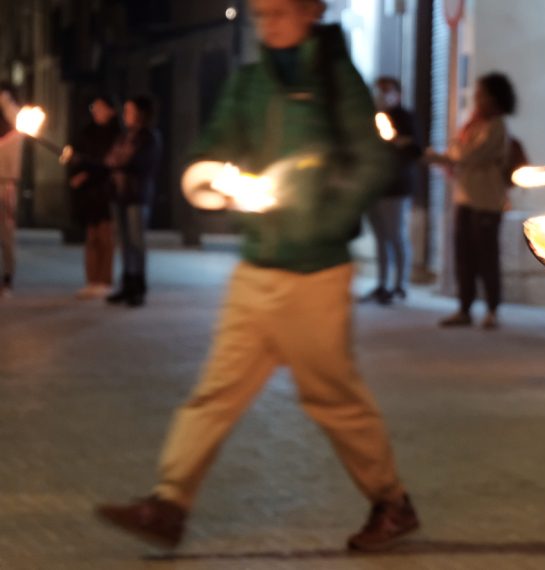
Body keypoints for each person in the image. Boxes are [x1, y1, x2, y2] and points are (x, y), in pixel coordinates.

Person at [95, 0, 416, 552]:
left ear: (310, 12)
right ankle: (170, 502)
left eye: (279, 12)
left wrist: (323, 217)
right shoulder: (249, 84)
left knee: (331, 396)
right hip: (257, 268)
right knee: (216, 391)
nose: (269, 24)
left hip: (316, 272)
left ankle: (391, 501)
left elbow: (371, 162)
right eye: (261, 14)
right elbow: (215, 145)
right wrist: (205, 176)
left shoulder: (339, 82)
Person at [428, 72, 516, 330]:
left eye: (482, 93)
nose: (477, 98)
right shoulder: (473, 123)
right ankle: (464, 307)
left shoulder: (496, 126)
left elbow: (470, 155)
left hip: (487, 200)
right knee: (463, 255)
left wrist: (440, 157)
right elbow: (457, 150)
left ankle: (492, 309)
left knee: (486, 256)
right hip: (464, 197)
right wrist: (444, 156)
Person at [361, 76, 420, 305]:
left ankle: (400, 285)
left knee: (395, 235)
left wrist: (397, 142)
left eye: (387, 90)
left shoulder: (405, 118)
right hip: (374, 187)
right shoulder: (370, 118)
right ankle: (382, 283)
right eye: (379, 90)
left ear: (398, 93)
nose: (382, 94)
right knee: (380, 238)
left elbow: (415, 150)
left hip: (396, 188)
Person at [104, 96, 162, 308]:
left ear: (141, 113)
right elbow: (109, 159)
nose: (125, 115)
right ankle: (126, 283)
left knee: (137, 242)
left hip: (137, 196)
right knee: (124, 242)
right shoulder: (124, 136)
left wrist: (118, 163)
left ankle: (138, 286)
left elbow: (140, 164)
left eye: (129, 110)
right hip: (119, 195)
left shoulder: (149, 138)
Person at [69, 95, 122, 300]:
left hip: (106, 191)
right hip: (88, 193)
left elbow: (109, 163)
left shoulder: (116, 135)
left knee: (105, 236)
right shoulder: (86, 132)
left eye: (100, 108)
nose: (96, 111)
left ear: (111, 111)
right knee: (91, 237)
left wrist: (87, 173)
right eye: (94, 107)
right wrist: (74, 167)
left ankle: (105, 281)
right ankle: (91, 281)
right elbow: (77, 156)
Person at [0, 83, 24, 298]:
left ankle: (7, 278)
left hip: (5, 185)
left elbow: (14, 116)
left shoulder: (16, 131)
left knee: (6, 234)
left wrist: (4, 98)